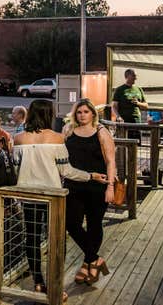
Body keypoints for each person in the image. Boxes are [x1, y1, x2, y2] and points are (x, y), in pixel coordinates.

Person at [13, 100, 107, 298]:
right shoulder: (56, 138)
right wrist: (91, 175)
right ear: (49, 114)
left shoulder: (19, 139)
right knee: (57, 240)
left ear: (30, 114)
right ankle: (56, 284)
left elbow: (15, 169)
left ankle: (38, 283)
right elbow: (67, 171)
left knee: (32, 238)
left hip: (28, 196)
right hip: (53, 197)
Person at [64, 99, 117, 285]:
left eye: (86, 112)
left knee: (94, 224)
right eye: (79, 112)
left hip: (97, 185)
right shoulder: (68, 130)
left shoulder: (102, 132)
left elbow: (110, 161)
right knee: (72, 224)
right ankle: (95, 259)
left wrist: (110, 186)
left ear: (93, 114)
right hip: (74, 184)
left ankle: (88, 264)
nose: (82, 115)